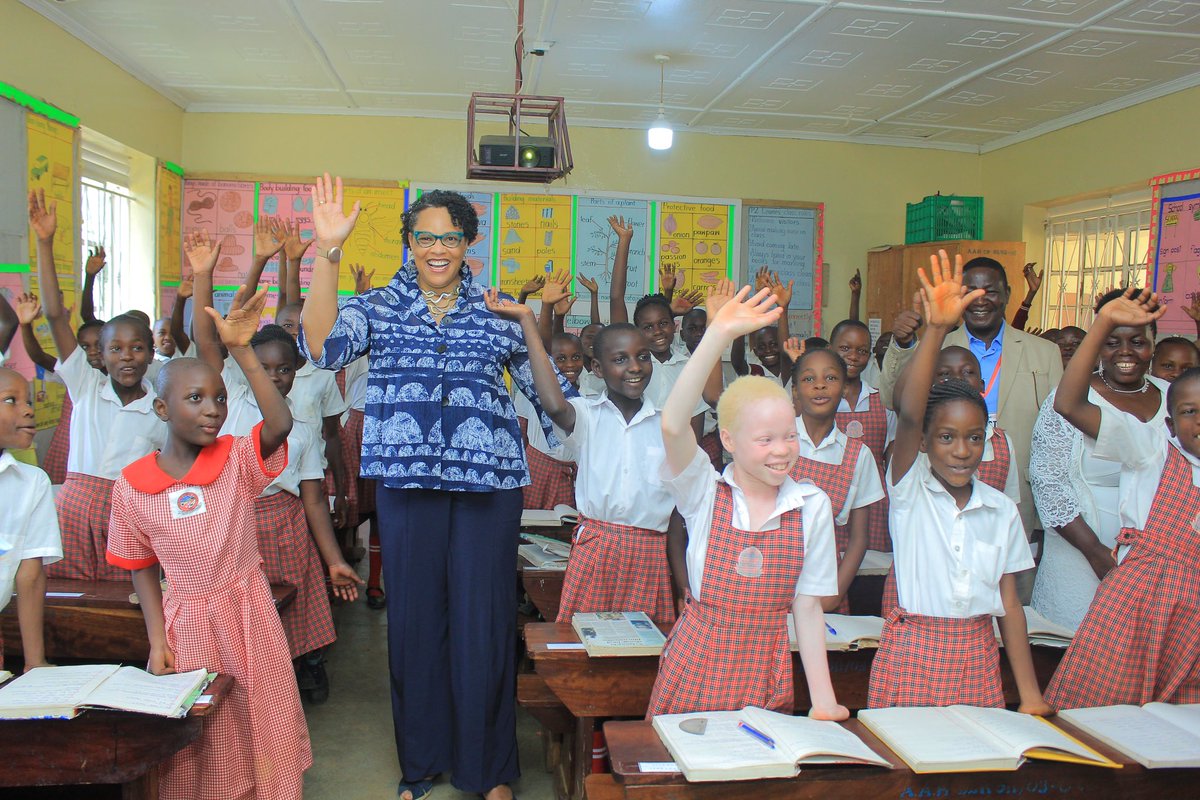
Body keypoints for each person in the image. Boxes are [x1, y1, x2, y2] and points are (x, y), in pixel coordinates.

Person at [298, 176, 569, 800]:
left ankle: (489, 769)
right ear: (409, 244)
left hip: (488, 487)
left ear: (469, 244)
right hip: (407, 484)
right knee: (416, 626)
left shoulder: (498, 310)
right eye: (425, 238)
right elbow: (321, 346)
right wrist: (328, 252)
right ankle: (420, 766)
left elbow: (547, 395)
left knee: (485, 624)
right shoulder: (378, 308)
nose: (437, 249)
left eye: (450, 239)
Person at [106, 285, 311, 800]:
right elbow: (141, 567)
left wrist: (241, 351)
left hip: (248, 613)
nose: (212, 409)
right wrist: (157, 641)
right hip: (188, 621)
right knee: (202, 725)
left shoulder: (236, 461)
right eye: (195, 398)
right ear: (160, 408)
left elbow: (280, 423)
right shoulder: (132, 486)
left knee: (259, 713)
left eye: (219, 397)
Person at [646, 279, 847, 720]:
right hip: (696, 661)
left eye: (789, 436)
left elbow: (808, 608)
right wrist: (718, 334)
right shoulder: (703, 490)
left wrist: (825, 699)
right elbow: (673, 425)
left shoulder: (810, 505)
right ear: (730, 440)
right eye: (766, 439)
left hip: (766, 667)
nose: (782, 450)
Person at [867, 251, 1048, 714]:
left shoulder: (1001, 510)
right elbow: (909, 412)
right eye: (946, 437)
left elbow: (1009, 604)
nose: (962, 450)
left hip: (977, 658)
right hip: (911, 656)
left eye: (973, 437)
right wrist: (935, 329)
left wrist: (1029, 696)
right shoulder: (909, 489)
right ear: (924, 442)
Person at [186, 229, 361, 702]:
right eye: (265, 369)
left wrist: (335, 560)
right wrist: (205, 275)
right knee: (242, 612)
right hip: (231, 520)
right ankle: (247, 679)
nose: (276, 377)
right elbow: (209, 337)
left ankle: (304, 669)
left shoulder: (300, 429)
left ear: (297, 368)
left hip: (284, 526)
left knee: (297, 606)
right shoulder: (231, 397)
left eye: (284, 369)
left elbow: (313, 502)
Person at [1043, 288, 1199, 708]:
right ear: (1170, 418)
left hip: (1193, 613)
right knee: (1109, 708)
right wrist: (1102, 324)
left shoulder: (1167, 396)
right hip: (1140, 599)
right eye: (1188, 412)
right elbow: (1068, 403)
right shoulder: (1152, 443)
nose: (1197, 421)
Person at [486, 295, 677, 626]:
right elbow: (553, 403)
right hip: (597, 551)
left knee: (645, 654)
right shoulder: (587, 415)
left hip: (651, 555)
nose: (634, 367)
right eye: (620, 359)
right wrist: (529, 322)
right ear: (598, 369)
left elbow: (678, 510)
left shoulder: (668, 426)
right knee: (583, 646)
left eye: (642, 357)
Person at [880, 256, 1063, 571]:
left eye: (990, 290)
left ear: (1006, 293)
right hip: (941, 485)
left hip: (1015, 491)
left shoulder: (1044, 352)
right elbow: (895, 400)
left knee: (1007, 581)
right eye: (971, 291)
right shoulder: (939, 344)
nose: (980, 299)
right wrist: (906, 341)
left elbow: (1057, 433)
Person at [30, 188, 166, 580]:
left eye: (137, 348)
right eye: (117, 349)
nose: (127, 356)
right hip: (72, 506)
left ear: (150, 353)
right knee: (66, 590)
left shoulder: (159, 409)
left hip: (127, 511)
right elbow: (56, 315)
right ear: (100, 355)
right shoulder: (86, 386)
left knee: (120, 597)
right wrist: (45, 242)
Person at [1030, 288, 1168, 629]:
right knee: (1074, 655)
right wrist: (1096, 554)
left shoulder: (1173, 398)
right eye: (1110, 341)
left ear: (1153, 345)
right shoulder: (1069, 399)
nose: (1125, 352)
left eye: (1137, 341)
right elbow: (1049, 483)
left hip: (1159, 562)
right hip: (1081, 557)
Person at [781, 340, 884, 614]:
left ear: (844, 389)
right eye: (808, 378)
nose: (819, 385)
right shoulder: (776, 442)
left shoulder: (858, 455)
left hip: (824, 586)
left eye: (830, 377)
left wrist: (833, 595)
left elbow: (858, 539)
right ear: (795, 392)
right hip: (772, 578)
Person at [0, 367, 62, 672]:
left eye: (28, 401)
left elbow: (31, 575)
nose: (28, 410)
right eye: (11, 400)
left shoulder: (32, 483)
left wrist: (35, 663)